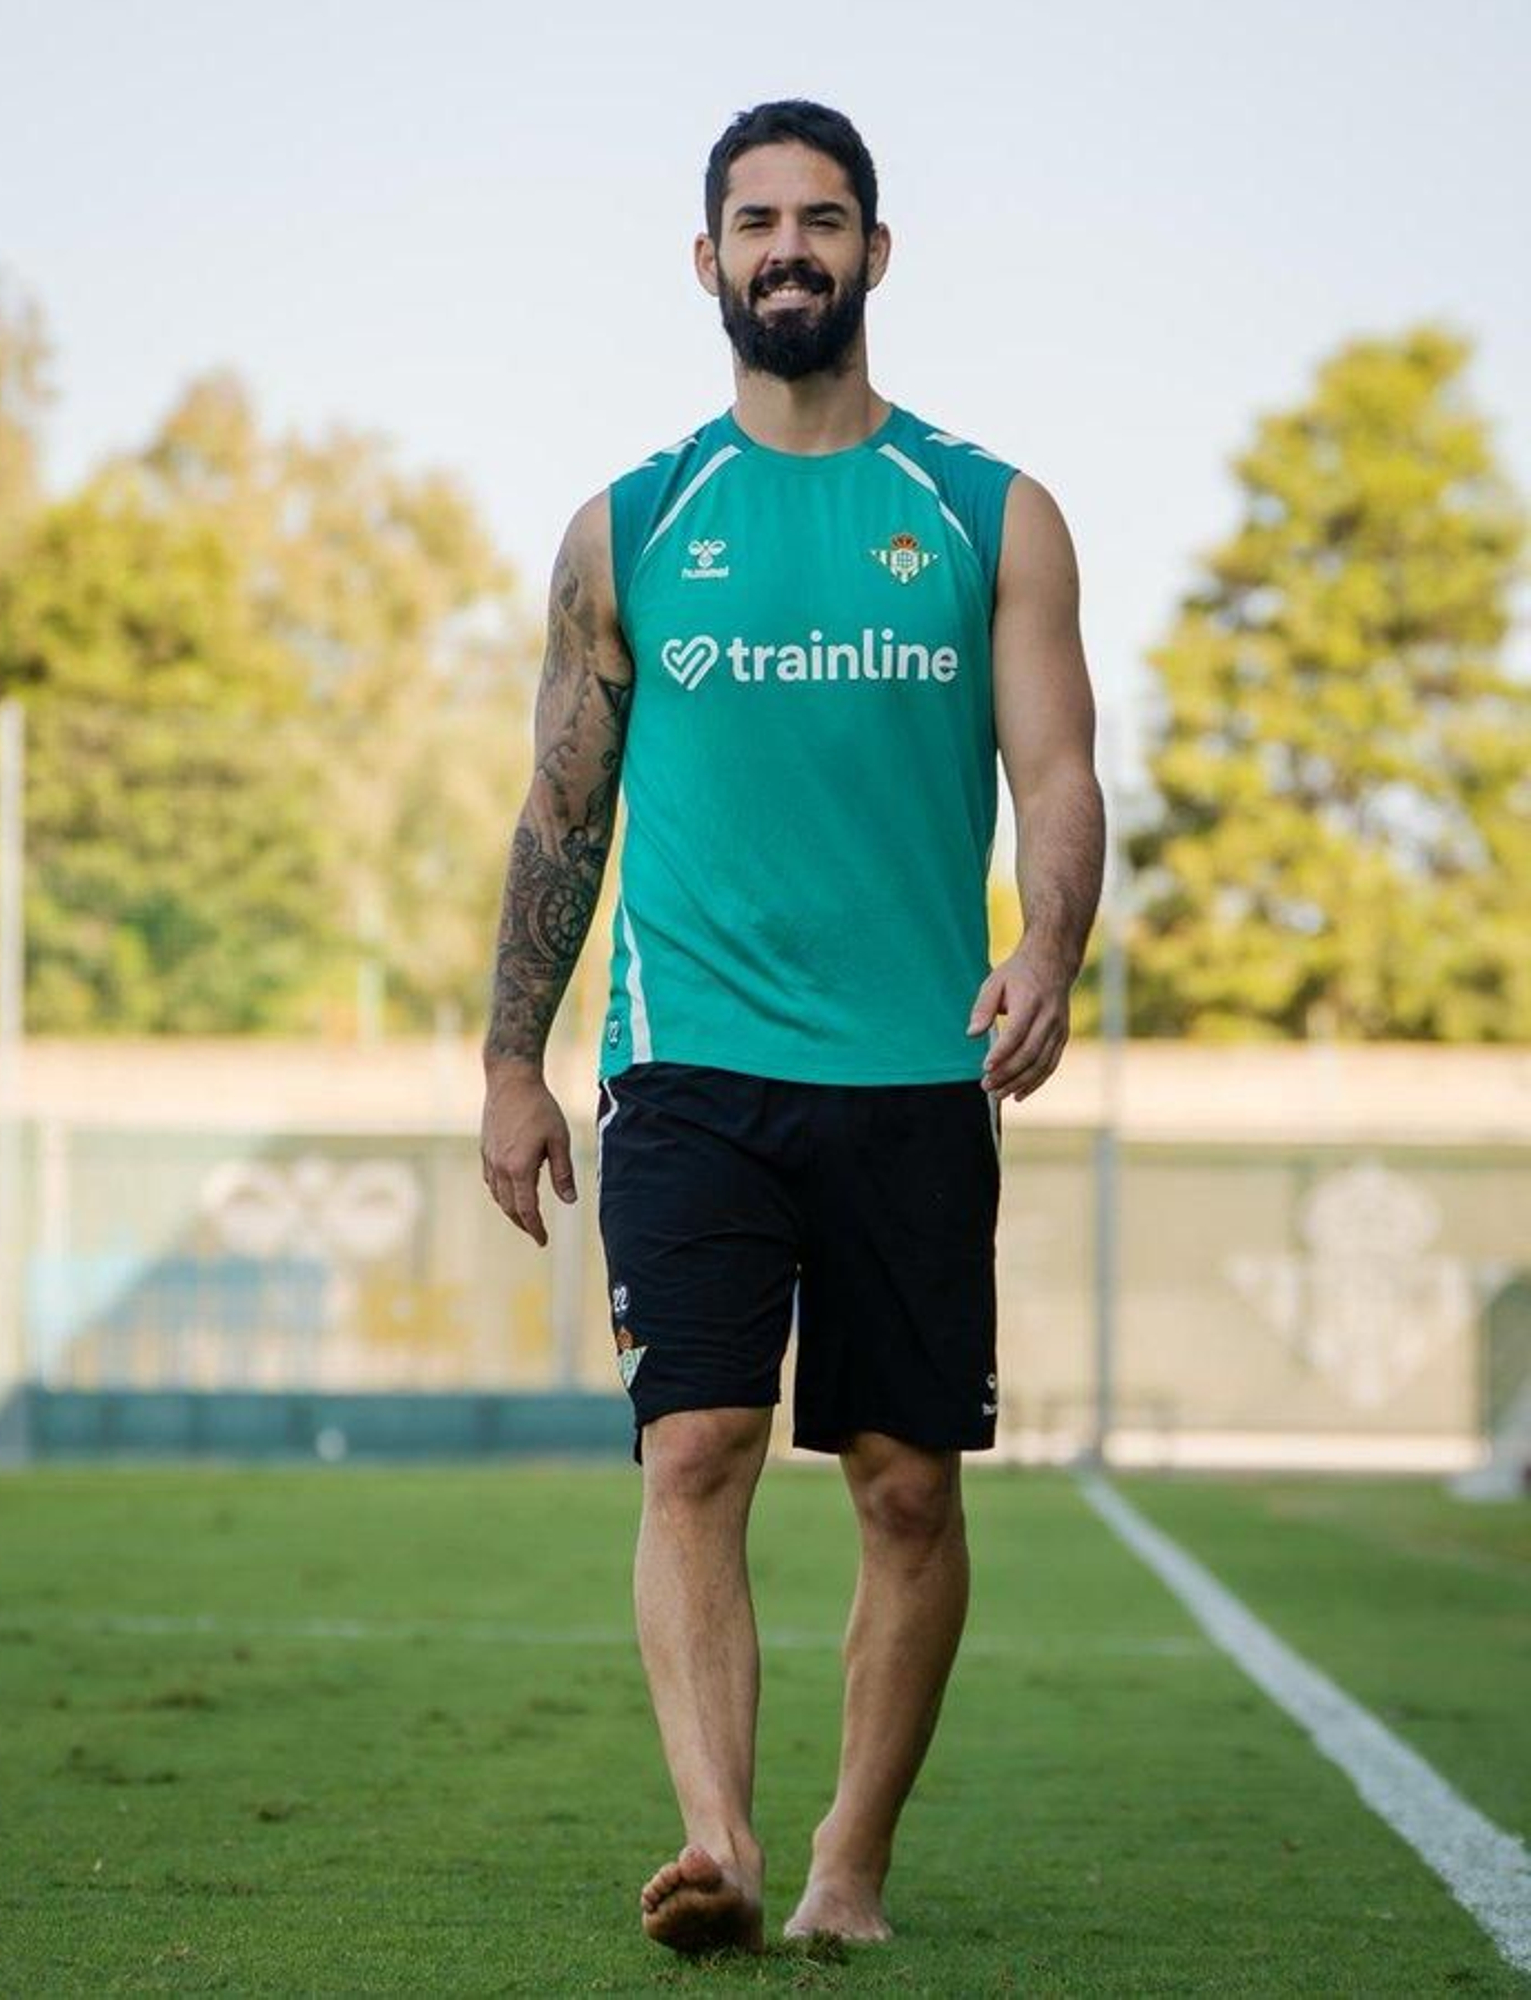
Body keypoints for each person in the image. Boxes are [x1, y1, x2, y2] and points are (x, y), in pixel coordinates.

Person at [481, 98, 1104, 1957]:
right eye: (755, 221)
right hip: (689, 1069)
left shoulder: (991, 513)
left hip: (917, 1069)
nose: (788, 249)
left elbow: (1061, 774)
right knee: (697, 1450)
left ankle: (849, 1866)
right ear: (707, 263)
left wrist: (1050, 948)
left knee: (906, 1488)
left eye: (823, 219)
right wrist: (512, 1062)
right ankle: (725, 1849)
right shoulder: (632, 525)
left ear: (875, 255)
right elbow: (560, 812)